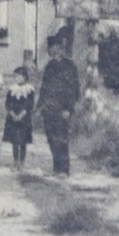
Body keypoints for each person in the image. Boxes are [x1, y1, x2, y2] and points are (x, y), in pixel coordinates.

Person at [37, 34, 80, 177]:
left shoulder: (69, 65)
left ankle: (64, 169)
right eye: (51, 49)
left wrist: (68, 108)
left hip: (63, 108)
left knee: (62, 137)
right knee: (51, 137)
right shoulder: (49, 66)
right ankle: (56, 167)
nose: (53, 51)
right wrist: (39, 106)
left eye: (56, 48)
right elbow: (44, 87)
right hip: (49, 108)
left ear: (61, 49)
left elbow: (73, 88)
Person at [3, 65, 35, 171]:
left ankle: (22, 162)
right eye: (15, 77)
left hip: (24, 118)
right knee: (15, 141)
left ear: (25, 77)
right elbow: (8, 103)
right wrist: (12, 113)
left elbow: (30, 104)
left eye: (19, 77)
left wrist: (22, 114)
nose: (16, 79)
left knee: (23, 141)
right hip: (13, 117)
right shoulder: (12, 89)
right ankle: (15, 161)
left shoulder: (29, 89)